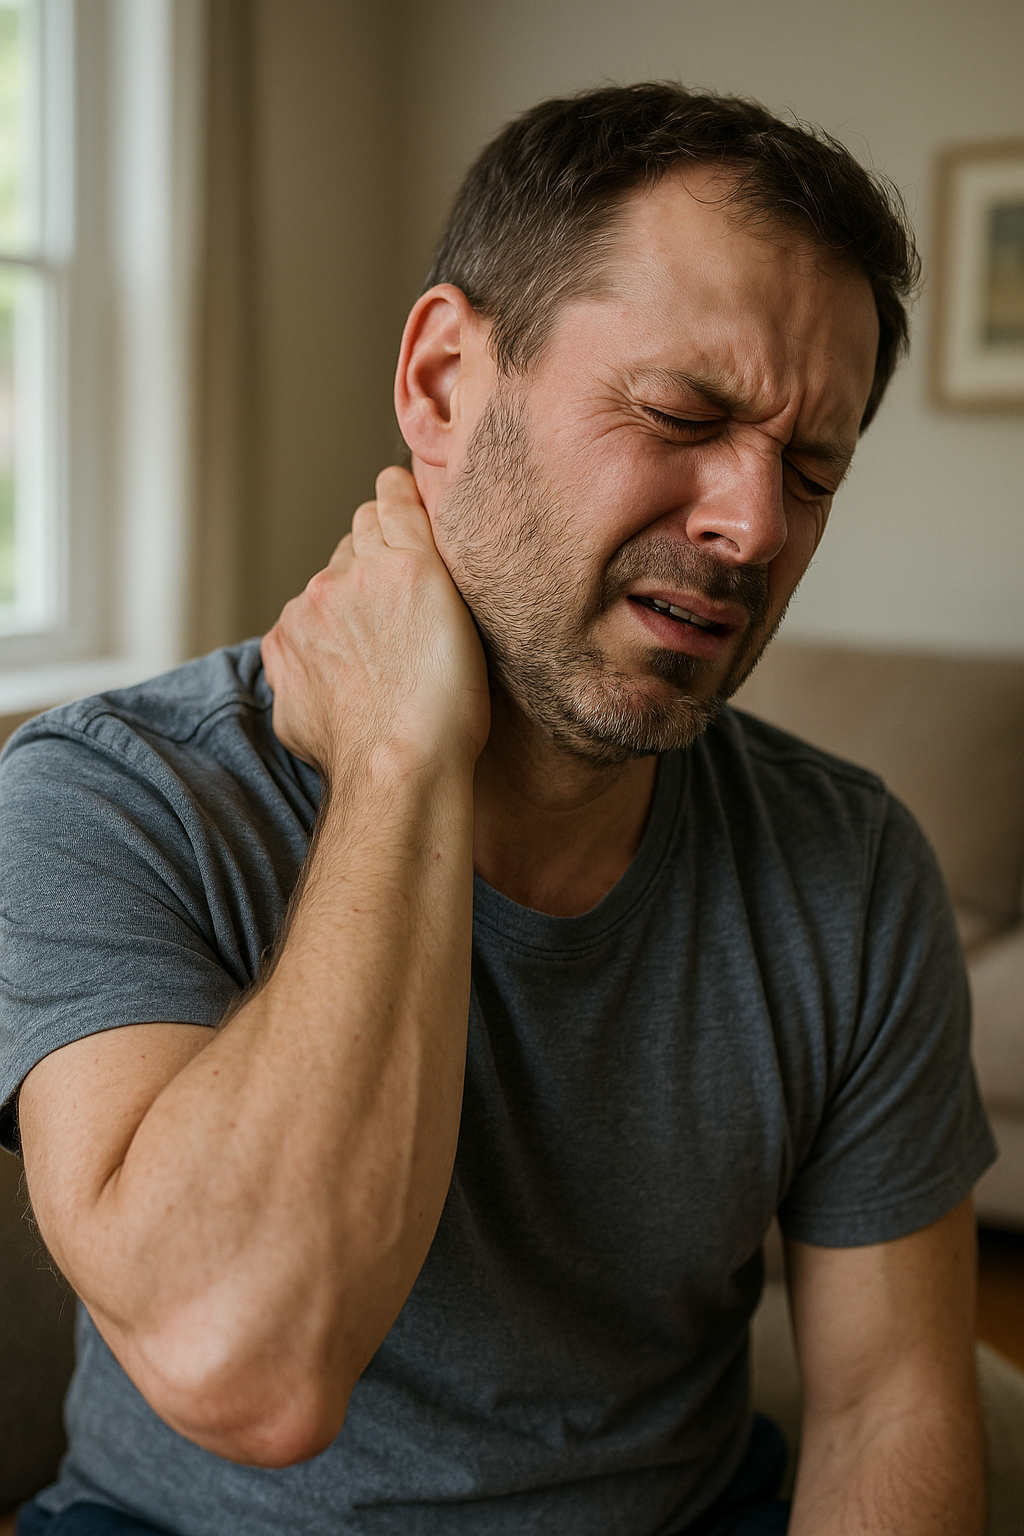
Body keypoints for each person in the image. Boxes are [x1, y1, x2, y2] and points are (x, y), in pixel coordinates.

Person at [0, 83, 994, 1536]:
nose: (757, 525)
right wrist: (404, 755)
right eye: (683, 412)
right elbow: (246, 1366)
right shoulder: (109, 797)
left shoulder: (849, 866)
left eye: (814, 466)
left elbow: (887, 1401)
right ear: (447, 382)